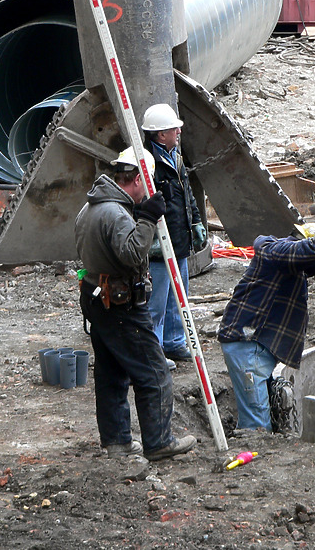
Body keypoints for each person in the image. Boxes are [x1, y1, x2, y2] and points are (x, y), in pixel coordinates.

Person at [74, 147, 197, 461]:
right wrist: (147, 220)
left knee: (112, 373)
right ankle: (158, 442)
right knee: (154, 373)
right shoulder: (115, 213)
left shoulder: (91, 208)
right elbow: (131, 254)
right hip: (120, 305)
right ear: (139, 179)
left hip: (97, 300)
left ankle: (117, 442)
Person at [217, 198, 315, 430]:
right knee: (257, 423)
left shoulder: (291, 261)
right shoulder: (276, 251)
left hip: (254, 344)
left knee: (259, 412)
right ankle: (254, 458)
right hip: (246, 344)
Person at [141, 103, 207, 365]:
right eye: (173, 129)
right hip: (159, 247)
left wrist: (197, 222)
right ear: (160, 135)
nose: (179, 132)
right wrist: (152, 242)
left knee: (178, 297)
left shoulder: (174, 157)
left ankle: (174, 342)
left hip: (178, 241)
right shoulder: (147, 163)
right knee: (156, 303)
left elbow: (187, 195)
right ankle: (154, 352)